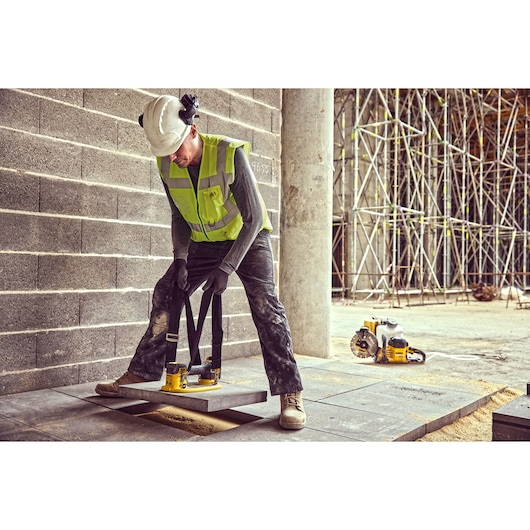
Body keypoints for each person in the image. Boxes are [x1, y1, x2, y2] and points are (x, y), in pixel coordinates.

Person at [95, 94, 306, 430]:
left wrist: (227, 268)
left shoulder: (229, 154)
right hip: (203, 242)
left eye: (177, 147)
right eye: (165, 151)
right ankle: (141, 372)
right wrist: (180, 259)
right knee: (166, 291)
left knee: (266, 307)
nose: (173, 157)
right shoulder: (168, 161)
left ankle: (290, 392)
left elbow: (252, 219)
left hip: (246, 239)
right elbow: (179, 216)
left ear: (192, 130)